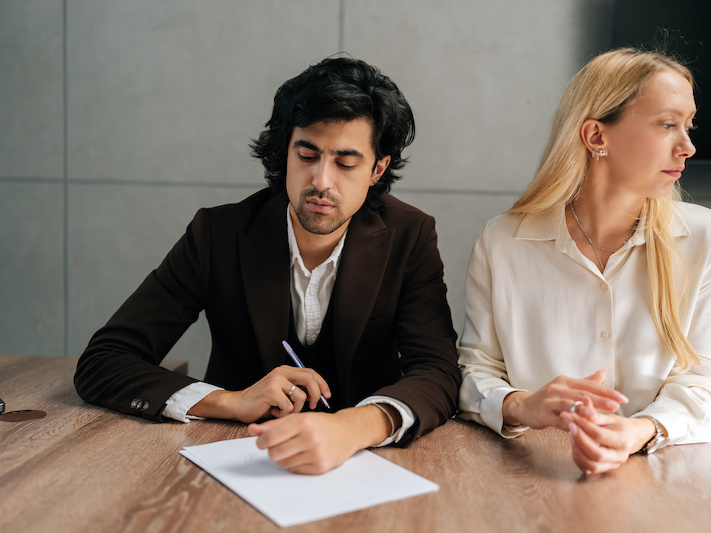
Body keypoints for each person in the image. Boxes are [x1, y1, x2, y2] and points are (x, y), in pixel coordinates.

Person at [74, 57, 461, 474]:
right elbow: (104, 360)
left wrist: (353, 427)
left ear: (376, 169)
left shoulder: (410, 235)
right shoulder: (216, 233)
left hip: (365, 463)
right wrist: (230, 400)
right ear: (285, 152)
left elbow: (438, 371)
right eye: (307, 154)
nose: (321, 181)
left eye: (346, 164)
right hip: (235, 458)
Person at [457, 48, 711, 475]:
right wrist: (523, 405)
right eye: (667, 125)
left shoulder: (706, 237)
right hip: (527, 474)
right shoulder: (502, 240)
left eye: (688, 125)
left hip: (660, 472)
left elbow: (703, 380)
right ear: (596, 137)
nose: (688, 146)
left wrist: (637, 431)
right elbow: (475, 372)